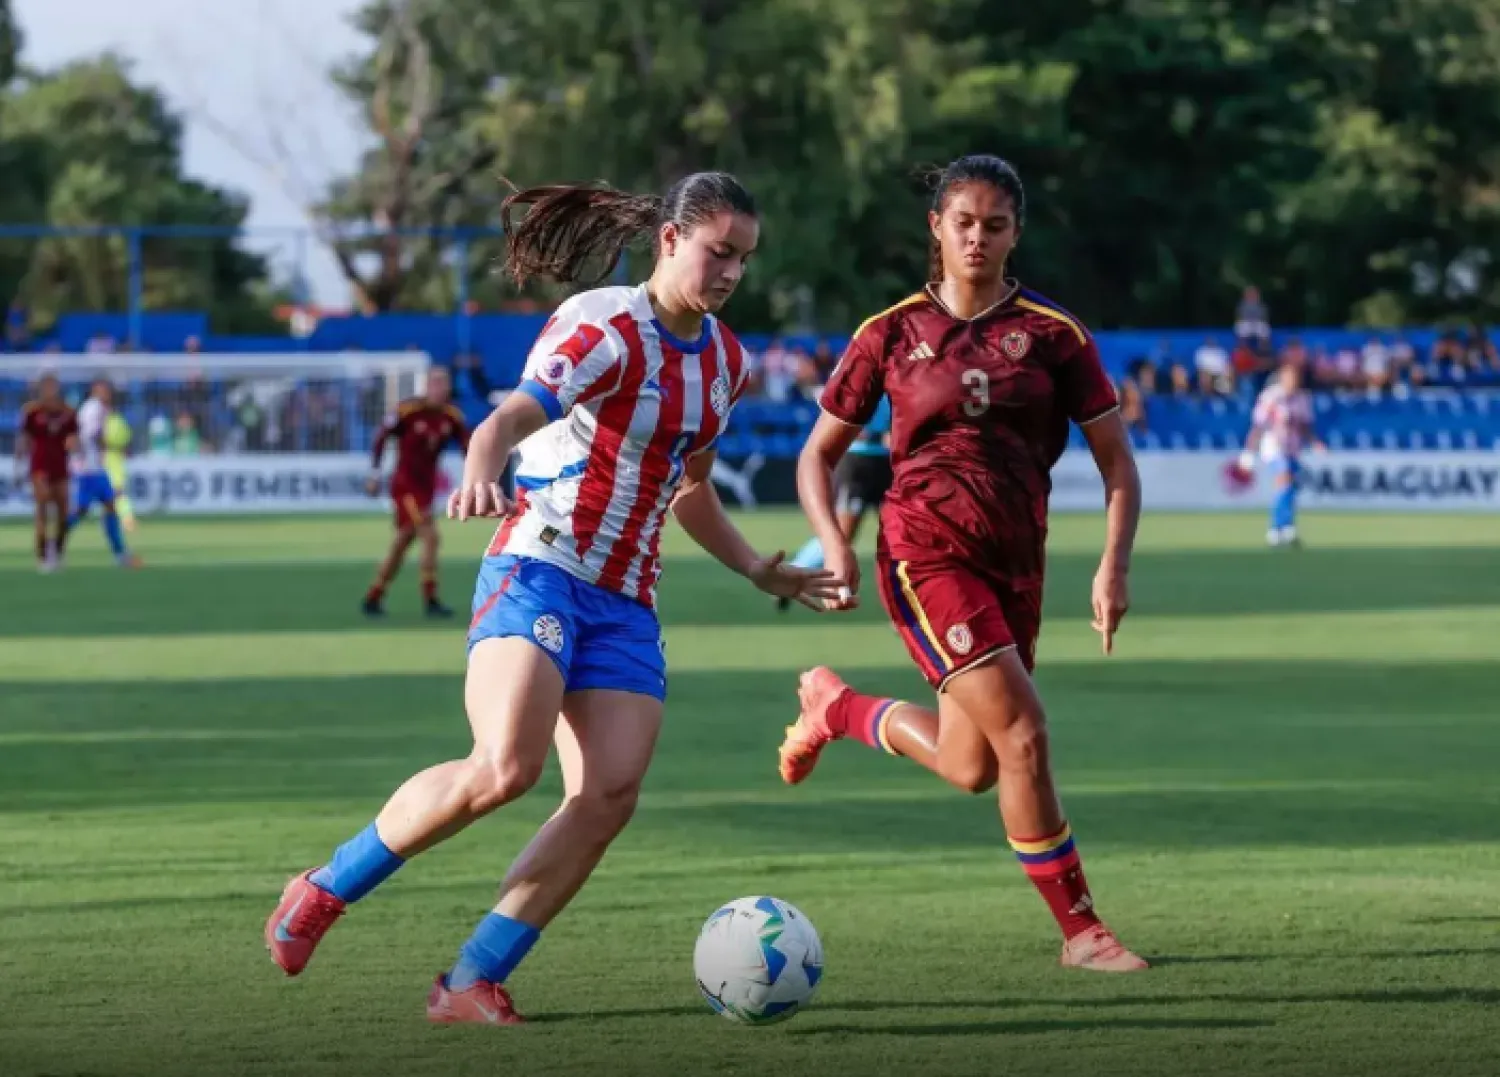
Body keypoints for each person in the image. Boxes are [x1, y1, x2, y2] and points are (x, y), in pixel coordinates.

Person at [264, 172, 838, 1023]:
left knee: (608, 793)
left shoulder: (725, 362)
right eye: (719, 251)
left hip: (627, 600)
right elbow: (505, 419)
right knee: (506, 768)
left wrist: (758, 566)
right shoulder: (603, 324)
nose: (729, 273)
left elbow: (690, 489)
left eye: (744, 259)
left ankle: (469, 980)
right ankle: (323, 888)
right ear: (670, 239)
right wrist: (480, 472)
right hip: (540, 564)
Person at [779, 154, 1148, 973]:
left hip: (1016, 559)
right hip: (925, 551)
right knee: (1024, 731)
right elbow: (817, 456)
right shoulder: (890, 332)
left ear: (1016, 234)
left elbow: (1118, 464)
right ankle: (1083, 932)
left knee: (971, 763)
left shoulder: (1056, 335)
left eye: (995, 224)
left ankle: (838, 709)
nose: (977, 237)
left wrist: (1112, 566)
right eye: (963, 222)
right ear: (936, 228)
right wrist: (835, 542)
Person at [363, 367, 469, 618]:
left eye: (443, 383)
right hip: (405, 487)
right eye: (434, 383)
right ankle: (431, 599)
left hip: (426, 489)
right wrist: (375, 474)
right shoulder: (408, 411)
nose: (439, 388)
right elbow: (381, 438)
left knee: (403, 541)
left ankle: (373, 596)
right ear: (426, 386)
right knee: (431, 536)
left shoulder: (451, 416)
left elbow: (467, 444)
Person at [779, 393, 892, 612]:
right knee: (842, 534)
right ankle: (795, 572)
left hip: (887, 462)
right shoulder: (859, 367)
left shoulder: (901, 366)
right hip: (857, 463)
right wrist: (878, 437)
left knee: (900, 532)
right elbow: (837, 420)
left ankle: (906, 607)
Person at [1237, 361, 1322, 548]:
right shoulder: (1271, 397)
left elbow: (1305, 426)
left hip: (1293, 449)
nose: (1293, 381)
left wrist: (1315, 442)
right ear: (1282, 378)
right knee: (1284, 481)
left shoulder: (1302, 398)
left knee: (1289, 488)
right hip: (1274, 448)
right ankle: (1276, 528)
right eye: (1289, 377)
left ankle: (1286, 527)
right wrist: (1248, 451)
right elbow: (1258, 426)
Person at [66, 378, 141, 568]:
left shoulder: (96, 408)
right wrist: (104, 447)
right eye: (103, 389)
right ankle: (53, 542)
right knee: (82, 510)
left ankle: (120, 554)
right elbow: (90, 435)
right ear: (94, 390)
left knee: (109, 506)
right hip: (88, 468)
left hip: (94, 467)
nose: (107, 393)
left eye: (108, 389)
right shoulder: (94, 408)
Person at [16, 374, 77, 572]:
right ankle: (42, 555)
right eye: (47, 387)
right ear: (41, 389)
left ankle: (58, 551)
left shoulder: (67, 412)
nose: (50, 390)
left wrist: (74, 446)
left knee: (63, 513)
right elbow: (24, 438)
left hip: (61, 467)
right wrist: (19, 464)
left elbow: (74, 438)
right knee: (42, 506)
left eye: (53, 386)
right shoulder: (32, 412)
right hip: (40, 467)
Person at [103, 406, 136, 533]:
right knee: (114, 493)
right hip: (115, 460)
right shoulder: (119, 421)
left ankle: (126, 519)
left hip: (110, 460)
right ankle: (124, 519)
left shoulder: (109, 421)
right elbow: (127, 439)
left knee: (117, 492)